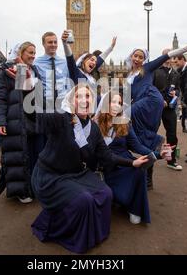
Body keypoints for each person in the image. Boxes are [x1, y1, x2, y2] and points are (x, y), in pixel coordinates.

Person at [31, 84, 148, 254]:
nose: (84, 100)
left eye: (88, 97)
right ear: (71, 101)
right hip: (51, 175)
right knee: (83, 200)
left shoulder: (93, 129)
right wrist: (27, 87)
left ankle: (94, 234)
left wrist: (132, 163)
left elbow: (107, 156)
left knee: (106, 193)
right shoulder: (61, 119)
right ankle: (63, 230)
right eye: (79, 96)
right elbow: (39, 115)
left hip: (76, 174)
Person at [125, 40, 187, 188]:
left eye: (141, 57)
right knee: (146, 138)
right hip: (143, 107)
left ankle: (158, 146)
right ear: (131, 56)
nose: (137, 59)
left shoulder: (147, 68)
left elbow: (167, 56)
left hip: (151, 100)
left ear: (144, 60)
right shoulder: (128, 75)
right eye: (136, 56)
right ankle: (149, 177)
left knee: (125, 117)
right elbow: (127, 98)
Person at [94, 90, 170, 224]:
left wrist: (159, 155)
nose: (117, 106)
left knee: (139, 169)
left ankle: (133, 208)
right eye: (113, 102)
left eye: (119, 103)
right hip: (107, 164)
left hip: (125, 160)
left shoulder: (125, 123)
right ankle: (120, 199)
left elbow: (137, 146)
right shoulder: (95, 124)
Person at [0, 41, 43, 204]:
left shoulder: (35, 71)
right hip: (15, 121)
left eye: (34, 53)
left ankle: (33, 187)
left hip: (33, 120)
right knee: (18, 157)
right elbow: (0, 99)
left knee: (33, 155)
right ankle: (21, 192)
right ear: (21, 53)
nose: (33, 56)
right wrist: (0, 121)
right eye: (30, 52)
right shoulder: (7, 72)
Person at [154, 50, 182, 171]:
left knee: (172, 135)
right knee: (151, 133)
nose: (168, 58)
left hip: (170, 108)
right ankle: (150, 159)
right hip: (156, 107)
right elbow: (151, 89)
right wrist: (160, 100)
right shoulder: (155, 71)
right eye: (166, 56)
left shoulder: (176, 74)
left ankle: (171, 160)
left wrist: (176, 93)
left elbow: (179, 90)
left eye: (170, 56)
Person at [34, 32, 70, 111]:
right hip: (44, 106)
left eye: (55, 42)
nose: (53, 44)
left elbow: (68, 84)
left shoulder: (64, 62)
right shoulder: (36, 63)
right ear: (43, 44)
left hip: (62, 106)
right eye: (50, 42)